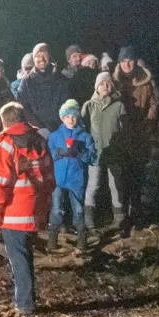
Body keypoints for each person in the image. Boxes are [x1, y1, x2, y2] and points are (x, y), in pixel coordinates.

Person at [0, 102, 53, 317]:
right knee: (26, 256)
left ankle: (24, 304)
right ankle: (25, 300)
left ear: (4, 121)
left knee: (18, 259)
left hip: (13, 212)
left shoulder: (5, 145)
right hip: (35, 208)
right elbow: (49, 177)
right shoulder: (39, 140)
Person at [81, 71, 129, 230]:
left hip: (114, 151)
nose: (105, 86)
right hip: (96, 152)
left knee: (115, 184)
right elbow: (84, 128)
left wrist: (121, 146)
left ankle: (119, 217)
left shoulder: (119, 105)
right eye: (102, 83)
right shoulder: (89, 106)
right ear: (97, 87)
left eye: (108, 83)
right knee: (93, 185)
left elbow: (123, 129)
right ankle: (89, 219)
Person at [48, 100, 97, 248]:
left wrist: (80, 151)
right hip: (58, 179)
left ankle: (82, 239)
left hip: (76, 179)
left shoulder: (85, 137)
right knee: (56, 209)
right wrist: (59, 152)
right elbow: (48, 155)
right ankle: (52, 240)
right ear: (62, 118)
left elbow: (92, 157)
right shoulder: (55, 136)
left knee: (78, 209)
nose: (71, 119)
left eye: (74, 116)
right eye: (67, 116)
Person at [14, 43, 69, 133]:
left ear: (50, 56)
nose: (41, 59)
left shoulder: (61, 79)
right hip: (37, 131)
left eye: (44, 55)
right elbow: (24, 107)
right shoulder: (27, 81)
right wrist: (39, 127)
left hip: (60, 128)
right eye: (37, 56)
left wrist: (60, 124)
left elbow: (66, 103)